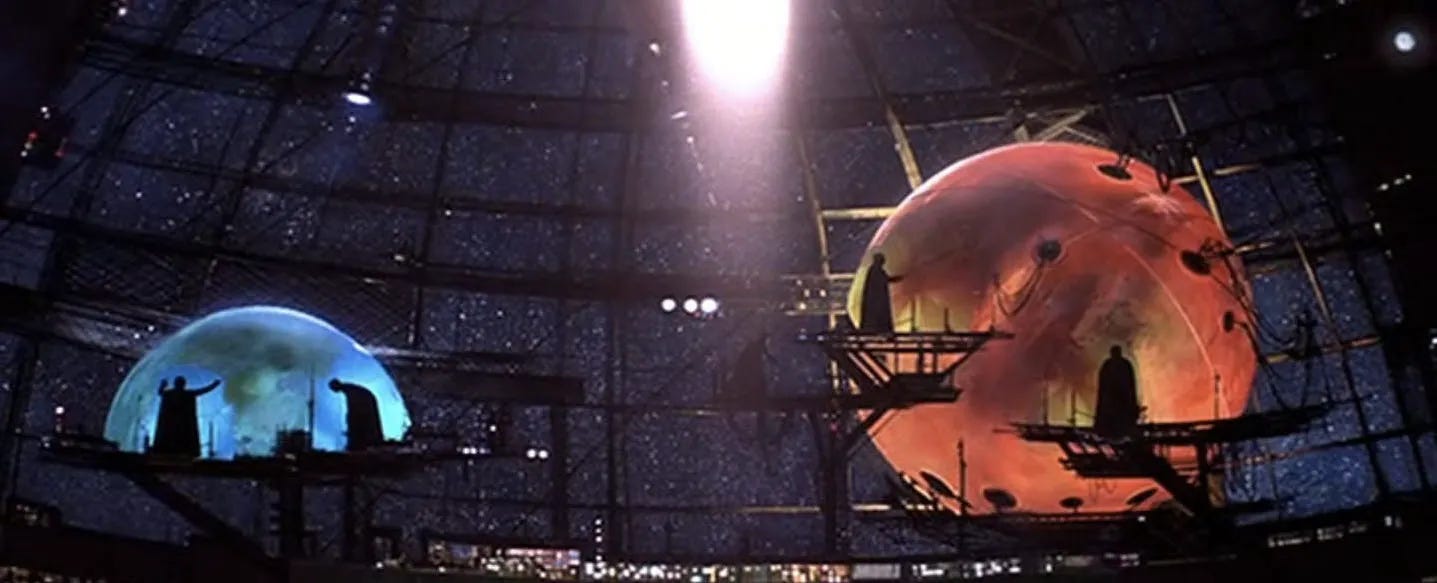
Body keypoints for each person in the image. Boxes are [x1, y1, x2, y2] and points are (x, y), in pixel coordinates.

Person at [152, 376, 221, 457]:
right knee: (180, 439)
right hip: (181, 424)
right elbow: (202, 391)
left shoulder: (169, 393)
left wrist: (163, 384)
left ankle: (171, 452)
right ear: (184, 384)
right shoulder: (186, 394)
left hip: (174, 424)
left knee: (175, 438)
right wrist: (214, 384)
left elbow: (160, 392)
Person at [1093, 345, 1140, 436]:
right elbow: (1103, 384)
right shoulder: (1110, 365)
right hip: (1112, 400)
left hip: (1122, 399)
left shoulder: (1122, 365)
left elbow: (1130, 384)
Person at [329, 379, 384, 451]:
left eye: (333, 388)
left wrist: (351, 424)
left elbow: (354, 410)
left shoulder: (351, 391)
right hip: (367, 406)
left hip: (365, 408)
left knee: (362, 425)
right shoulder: (350, 389)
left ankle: (365, 443)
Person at [858, 252, 904, 333]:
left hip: (877, 299)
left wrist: (899, 278)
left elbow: (886, 279)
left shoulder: (877, 270)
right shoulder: (875, 271)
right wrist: (897, 278)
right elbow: (884, 280)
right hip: (876, 300)